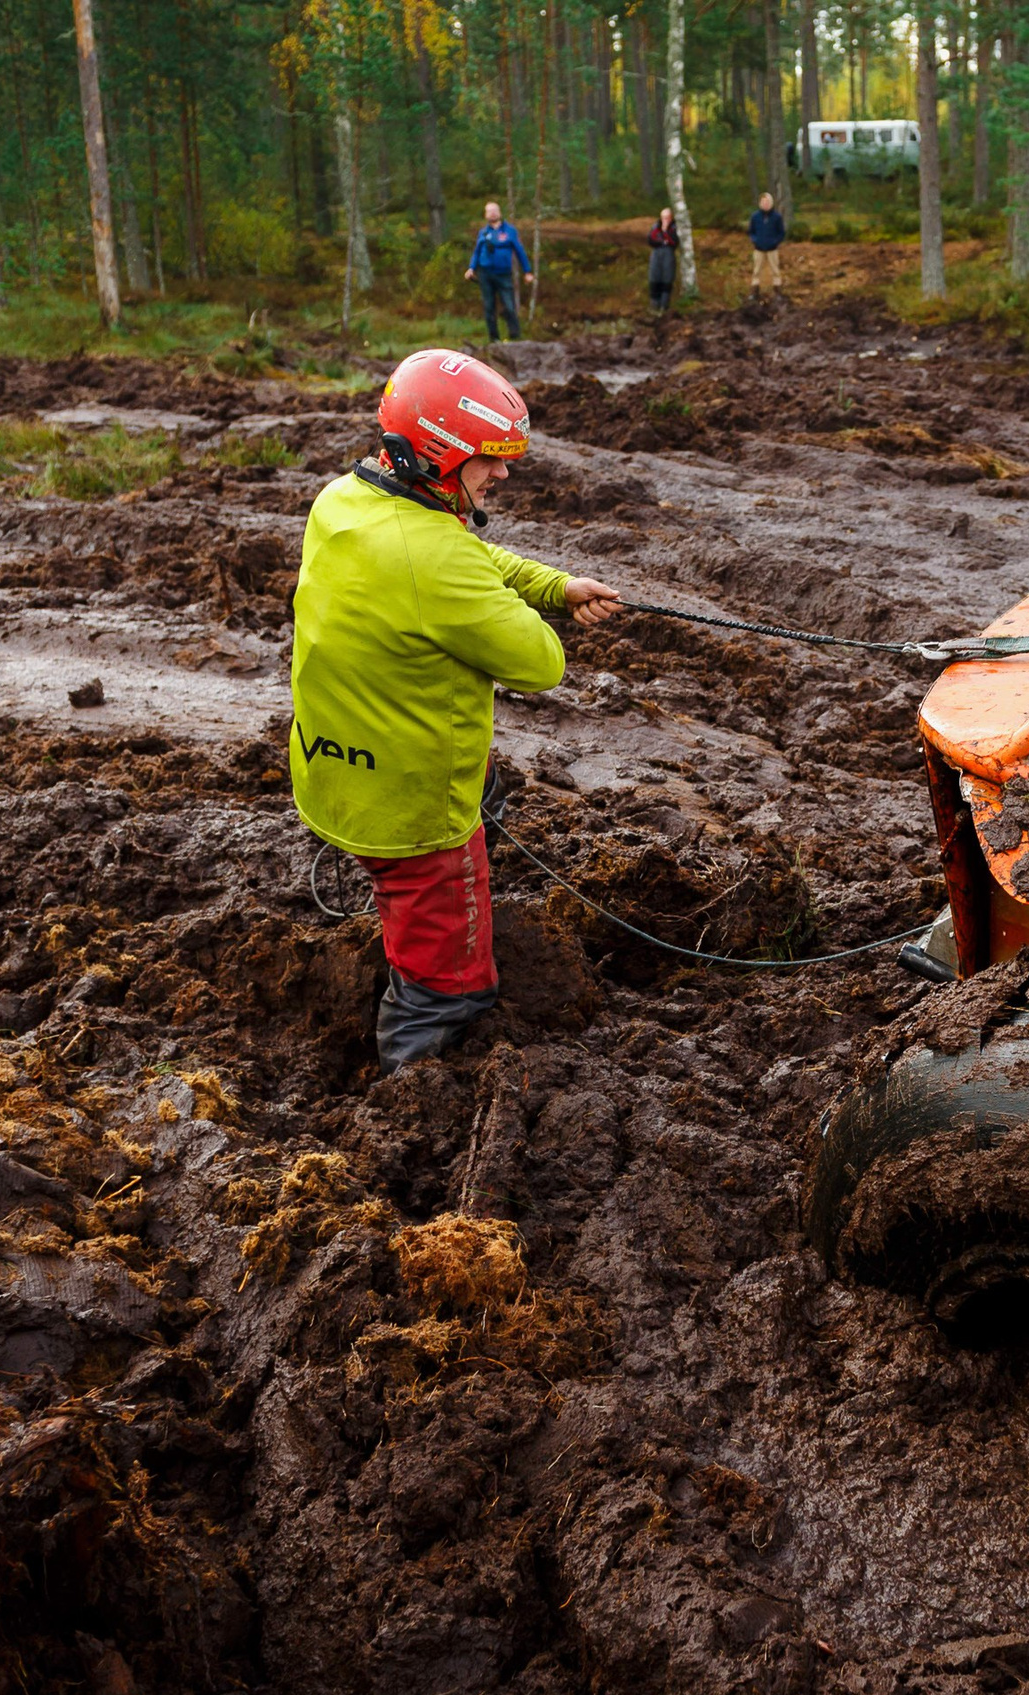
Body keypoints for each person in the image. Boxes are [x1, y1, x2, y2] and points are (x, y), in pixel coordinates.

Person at [290, 349, 625, 1071]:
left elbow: (455, 558)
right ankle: (411, 1092)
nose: (503, 473)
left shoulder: (343, 502)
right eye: (490, 459)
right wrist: (529, 610)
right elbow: (541, 662)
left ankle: (406, 925)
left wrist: (555, 584)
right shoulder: (437, 559)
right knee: (450, 988)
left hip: (335, 769)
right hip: (414, 813)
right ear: (441, 455)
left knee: (486, 791)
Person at [464, 201, 534, 343]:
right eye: (489, 211)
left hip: (503, 274)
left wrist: (527, 271)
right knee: (489, 306)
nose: (492, 213)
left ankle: (515, 335)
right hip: (485, 274)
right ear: (485, 214)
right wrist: (471, 268)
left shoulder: (509, 231)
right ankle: (493, 338)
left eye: (495, 210)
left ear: (500, 212)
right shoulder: (483, 233)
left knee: (509, 304)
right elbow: (477, 252)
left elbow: (519, 251)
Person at [747, 191, 787, 295]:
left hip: (772, 249)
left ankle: (778, 292)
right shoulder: (755, 217)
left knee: (775, 271)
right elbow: (751, 232)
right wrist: (755, 240)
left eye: (768, 202)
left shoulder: (777, 217)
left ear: (771, 203)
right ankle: (754, 292)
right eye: (764, 202)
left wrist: (775, 242)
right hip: (758, 248)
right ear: (760, 203)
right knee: (756, 271)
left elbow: (781, 233)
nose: (766, 204)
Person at [647, 208, 679, 314]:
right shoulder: (655, 226)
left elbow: (674, 242)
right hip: (656, 254)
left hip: (668, 255)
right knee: (654, 278)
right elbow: (651, 240)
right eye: (663, 218)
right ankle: (654, 305)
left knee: (667, 279)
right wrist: (661, 241)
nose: (665, 220)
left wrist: (665, 233)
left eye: (667, 218)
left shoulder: (674, 228)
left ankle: (664, 306)